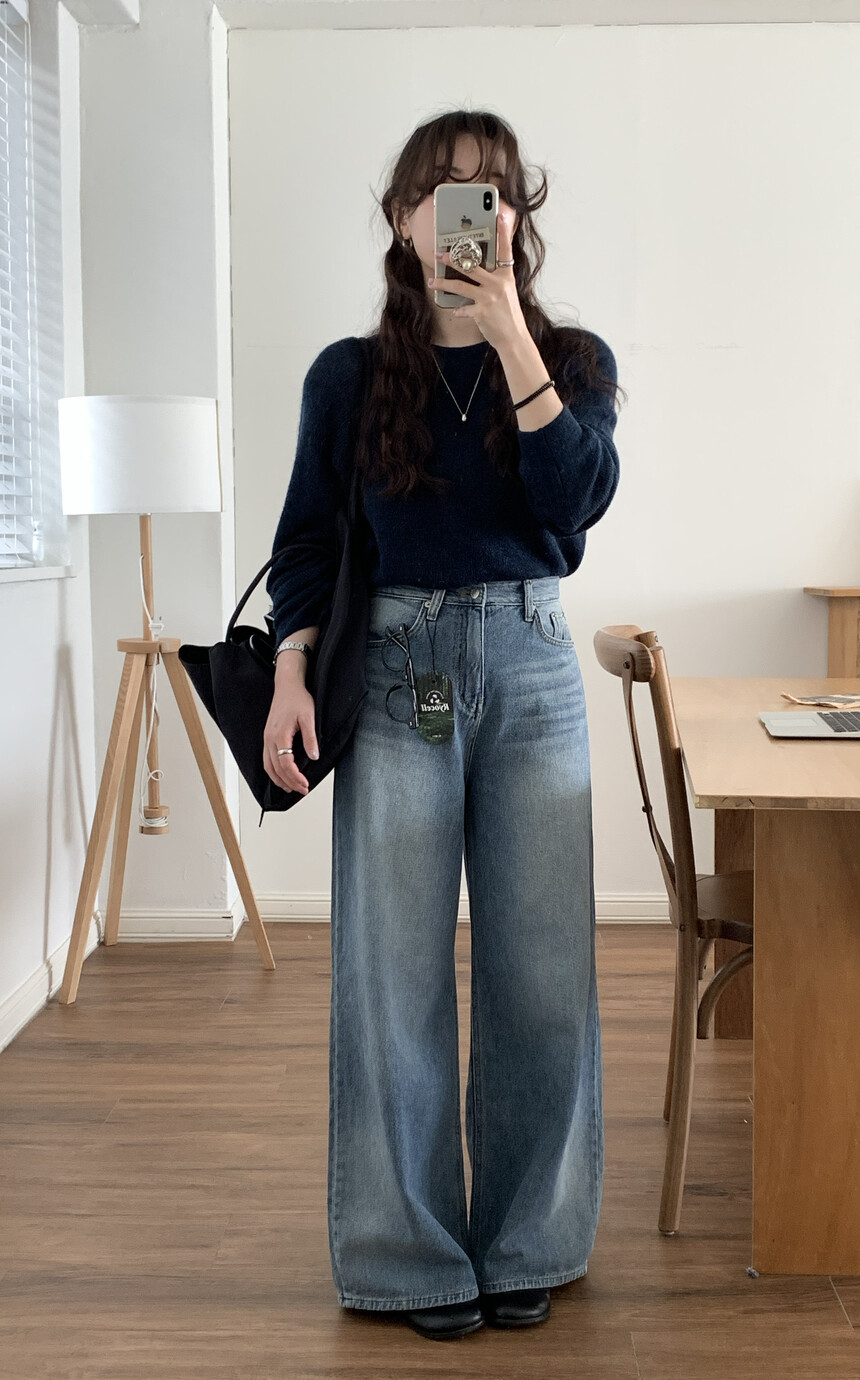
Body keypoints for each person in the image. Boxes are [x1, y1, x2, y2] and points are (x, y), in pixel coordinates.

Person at [263, 108, 623, 1342]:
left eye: (493, 190)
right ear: (401, 217)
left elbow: (577, 504)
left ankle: (530, 1240)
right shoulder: (349, 376)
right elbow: (308, 543)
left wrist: (510, 331)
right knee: (392, 971)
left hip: (530, 668)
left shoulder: (571, 359)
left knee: (541, 973)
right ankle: (406, 1252)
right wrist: (290, 672)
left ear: (517, 219)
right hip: (399, 666)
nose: (472, 209)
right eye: (444, 189)